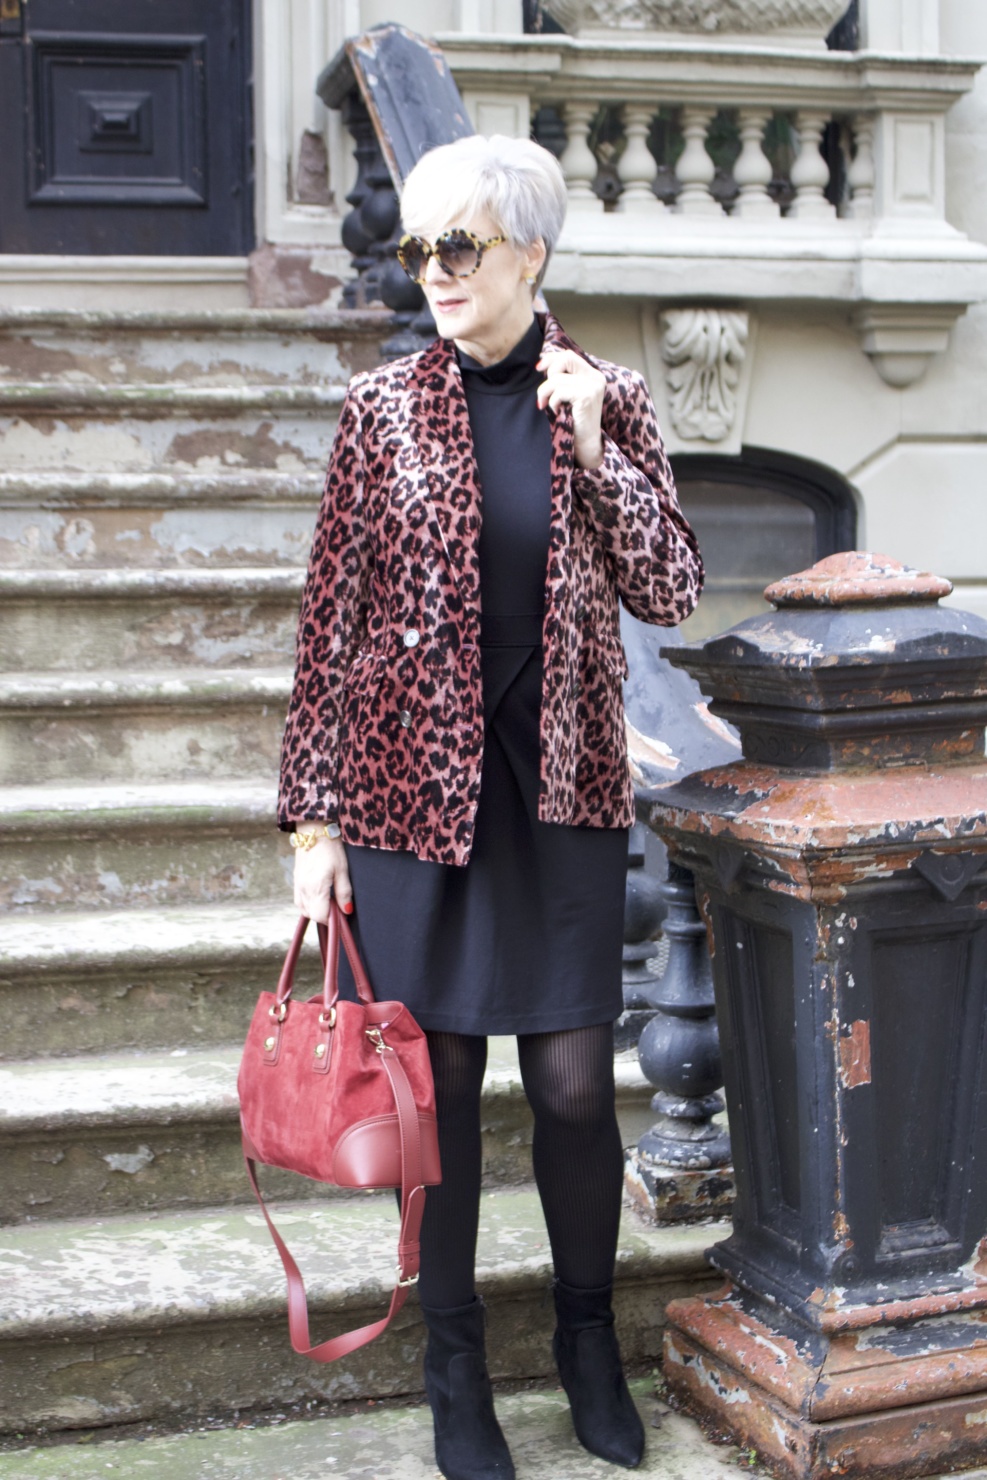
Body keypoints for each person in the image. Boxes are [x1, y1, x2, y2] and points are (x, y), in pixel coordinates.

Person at [278, 133, 703, 1480]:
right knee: (443, 1086)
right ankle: (451, 1361)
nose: (433, 273)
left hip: (563, 785)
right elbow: (328, 631)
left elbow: (676, 587)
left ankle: (588, 1336)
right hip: (410, 798)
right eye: (417, 250)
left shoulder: (610, 398)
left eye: (456, 247)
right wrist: (311, 826)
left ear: (530, 251)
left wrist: (594, 449)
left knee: (575, 1087)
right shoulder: (382, 409)